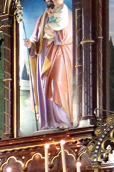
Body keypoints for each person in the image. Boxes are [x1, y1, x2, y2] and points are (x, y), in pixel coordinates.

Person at [24, 0, 74, 130]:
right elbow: (36, 39)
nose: (48, 2)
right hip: (43, 57)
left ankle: (63, 119)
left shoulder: (66, 13)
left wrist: (56, 34)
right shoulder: (42, 18)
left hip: (59, 55)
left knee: (57, 83)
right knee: (44, 85)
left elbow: (71, 36)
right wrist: (31, 45)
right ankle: (48, 122)